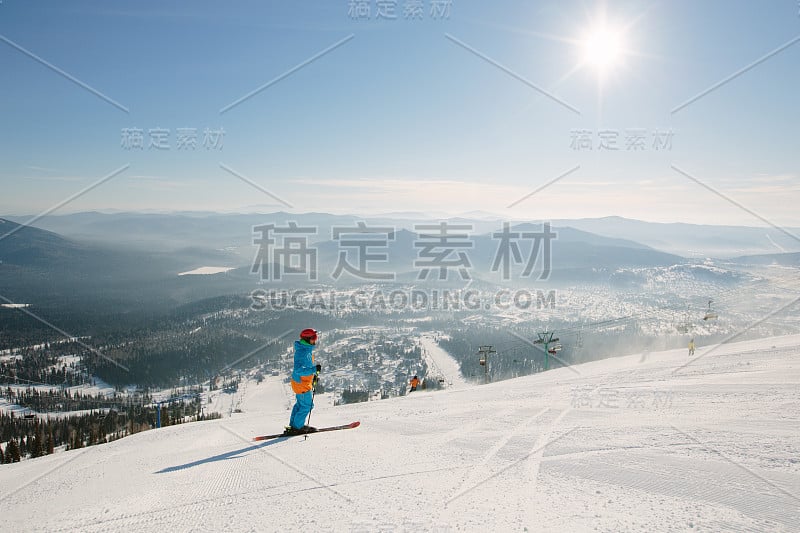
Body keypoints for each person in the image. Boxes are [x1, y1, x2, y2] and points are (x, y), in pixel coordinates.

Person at [285, 329, 321, 435]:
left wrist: (313, 376)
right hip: (301, 384)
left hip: (301, 382)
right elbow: (299, 370)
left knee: (300, 405)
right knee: (307, 406)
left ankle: (294, 425)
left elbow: (306, 367)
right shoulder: (303, 352)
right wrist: (313, 370)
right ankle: (297, 427)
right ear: (307, 339)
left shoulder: (306, 349)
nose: (315, 341)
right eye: (314, 338)